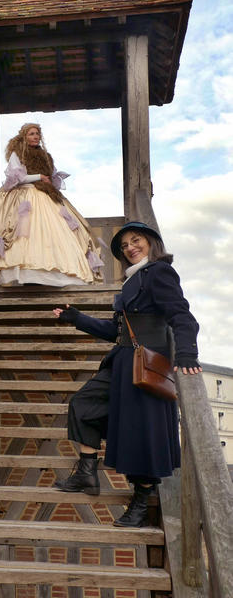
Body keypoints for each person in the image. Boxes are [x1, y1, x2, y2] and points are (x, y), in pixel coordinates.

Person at [52, 221, 201, 527]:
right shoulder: (131, 281)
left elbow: (182, 316)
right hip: (122, 361)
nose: (130, 248)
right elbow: (115, 331)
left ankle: (141, 502)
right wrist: (76, 318)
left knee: (142, 434)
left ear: (151, 243)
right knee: (83, 404)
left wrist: (186, 354)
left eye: (136, 241)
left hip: (147, 364)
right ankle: (87, 472)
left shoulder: (159, 272)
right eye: (124, 246)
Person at [0, 122, 103, 286]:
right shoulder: (17, 154)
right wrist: (38, 177)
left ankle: (58, 271)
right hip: (26, 194)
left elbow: (52, 176)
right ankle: (26, 272)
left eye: (37, 134)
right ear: (24, 136)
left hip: (47, 196)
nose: (35, 137)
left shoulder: (46, 156)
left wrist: (48, 180)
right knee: (24, 231)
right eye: (32, 134)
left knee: (57, 231)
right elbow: (16, 178)